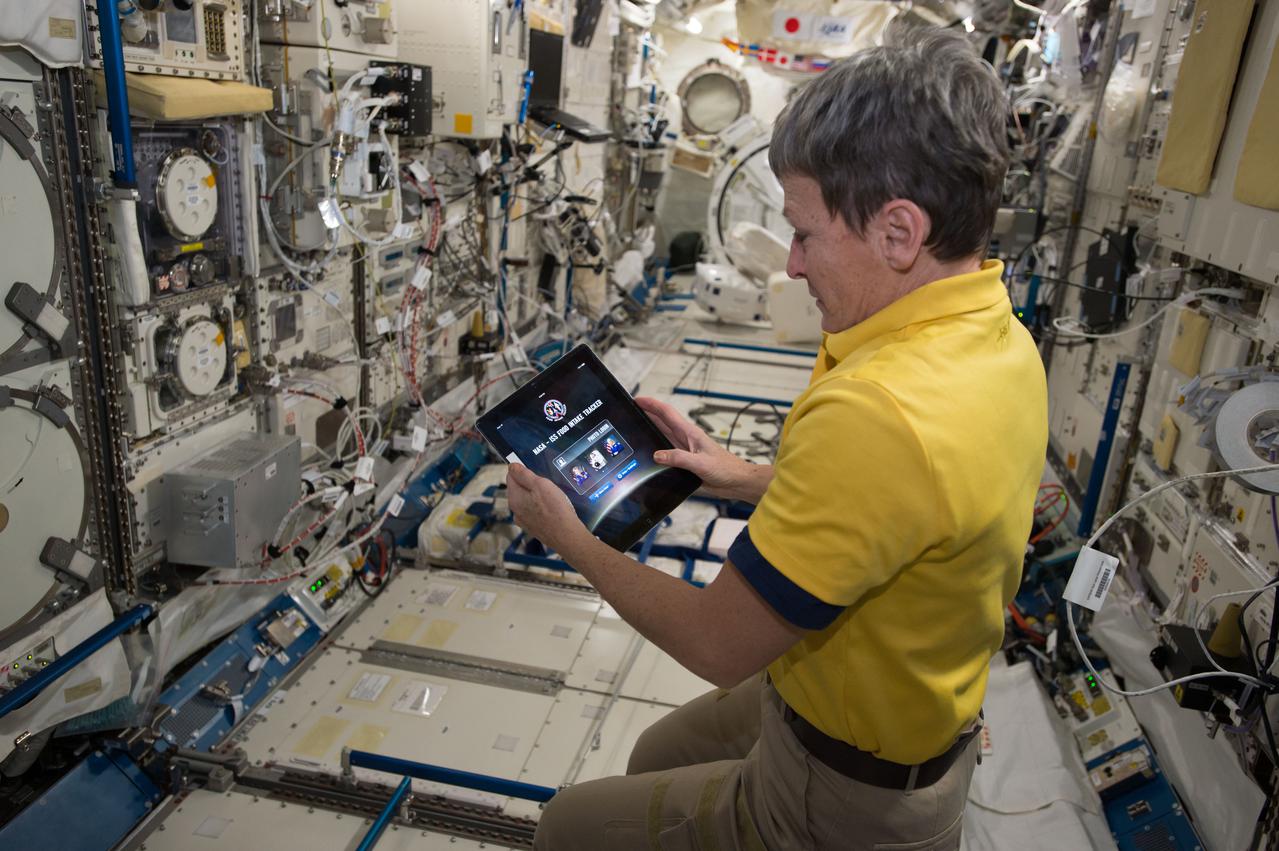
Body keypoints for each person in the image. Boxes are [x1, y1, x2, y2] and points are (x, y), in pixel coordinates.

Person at [505, 23, 1047, 851]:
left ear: (898, 233)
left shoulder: (879, 410)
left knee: (568, 827)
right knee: (655, 750)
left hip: (846, 796)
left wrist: (568, 537)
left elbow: (716, 642)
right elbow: (914, 505)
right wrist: (742, 476)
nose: (790, 265)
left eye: (805, 233)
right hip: (884, 711)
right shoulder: (994, 332)